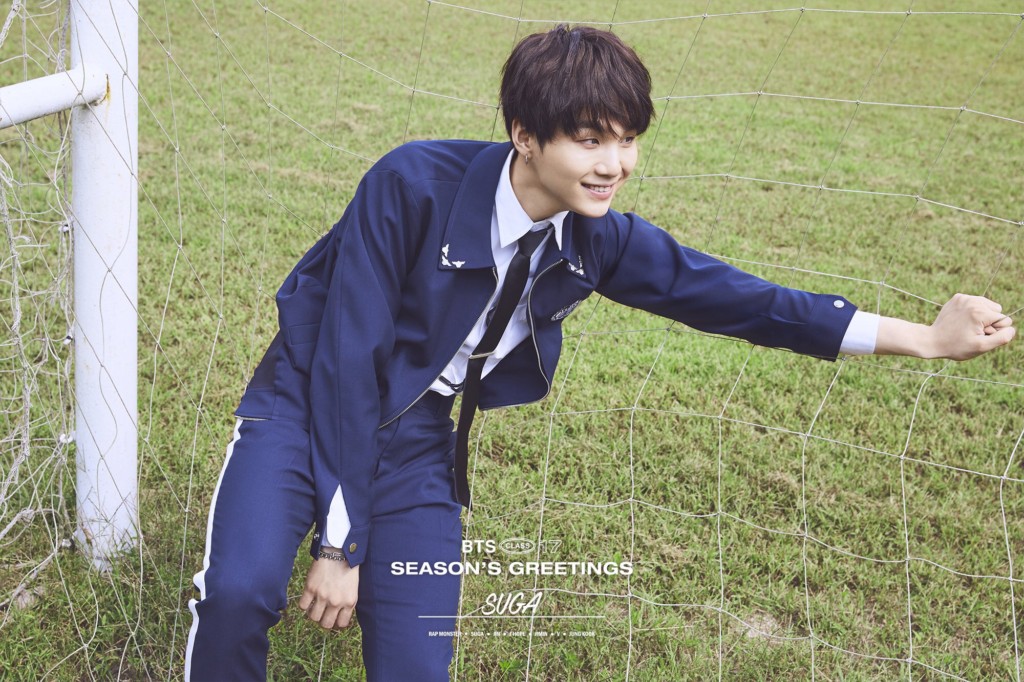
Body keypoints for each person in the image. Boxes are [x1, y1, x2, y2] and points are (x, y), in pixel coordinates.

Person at [183, 25, 1015, 682]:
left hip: (417, 445)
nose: (614, 165)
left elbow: (743, 301)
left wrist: (924, 339)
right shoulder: (409, 185)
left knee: (416, 663)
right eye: (589, 140)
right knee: (239, 592)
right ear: (524, 135)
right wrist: (340, 544)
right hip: (304, 409)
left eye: (627, 139)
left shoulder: (596, 239)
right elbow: (343, 362)